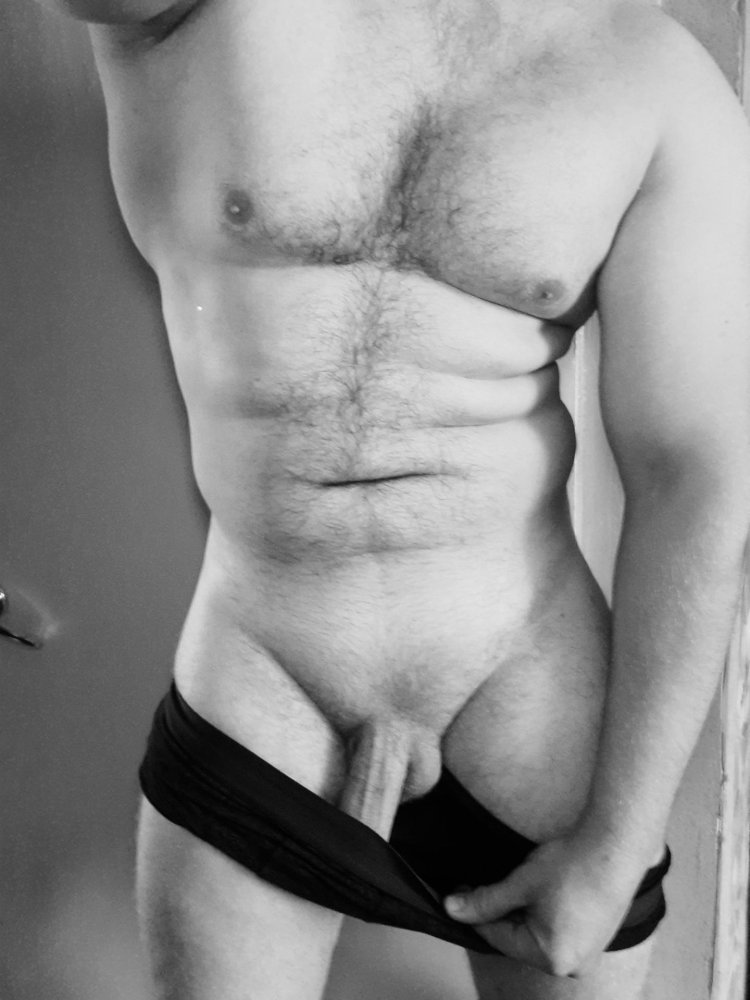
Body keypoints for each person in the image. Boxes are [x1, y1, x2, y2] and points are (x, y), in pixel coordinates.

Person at [34, 0, 750, 997]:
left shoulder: (654, 84)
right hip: (265, 674)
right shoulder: (198, 15)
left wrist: (622, 840)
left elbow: (691, 473)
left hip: (522, 683)